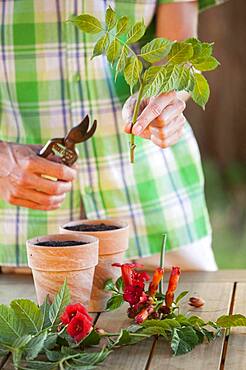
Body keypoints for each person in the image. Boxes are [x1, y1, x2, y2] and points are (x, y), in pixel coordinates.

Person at [0, 0, 227, 272]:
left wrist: (167, 97)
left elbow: (179, 51)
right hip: (22, 225)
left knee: (190, 310)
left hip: (154, 200)